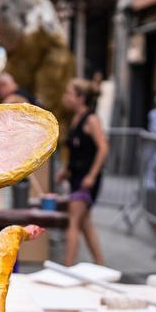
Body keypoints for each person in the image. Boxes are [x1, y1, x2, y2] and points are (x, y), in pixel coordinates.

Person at [59, 78, 109, 266]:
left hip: (85, 179)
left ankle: (67, 267)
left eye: (69, 93)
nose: (66, 97)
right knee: (85, 224)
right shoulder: (77, 118)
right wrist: (65, 170)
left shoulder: (91, 119)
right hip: (76, 176)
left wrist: (91, 176)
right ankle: (101, 264)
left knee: (73, 222)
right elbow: (74, 150)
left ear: (81, 97)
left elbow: (103, 147)